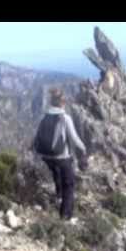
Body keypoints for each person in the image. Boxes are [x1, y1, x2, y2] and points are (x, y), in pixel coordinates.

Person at [33, 88, 88, 220]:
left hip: (46, 156)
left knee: (56, 173)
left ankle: (58, 197)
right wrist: (84, 149)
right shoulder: (65, 118)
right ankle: (65, 216)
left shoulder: (45, 116)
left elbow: (37, 136)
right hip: (61, 157)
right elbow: (74, 139)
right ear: (62, 103)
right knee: (69, 184)